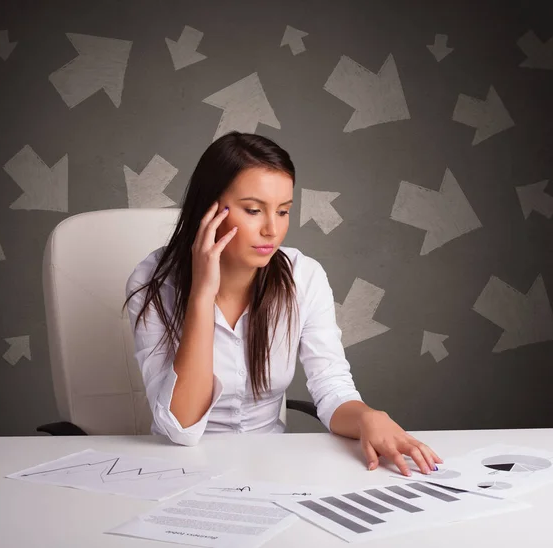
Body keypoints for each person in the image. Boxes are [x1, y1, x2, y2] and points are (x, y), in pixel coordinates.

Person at [124, 131, 443, 477]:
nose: (272, 230)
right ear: (209, 209)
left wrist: (369, 417)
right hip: (177, 470)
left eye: (283, 211)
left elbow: (332, 388)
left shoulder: (303, 277)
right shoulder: (152, 282)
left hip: (272, 470)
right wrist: (202, 295)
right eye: (253, 210)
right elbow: (180, 427)